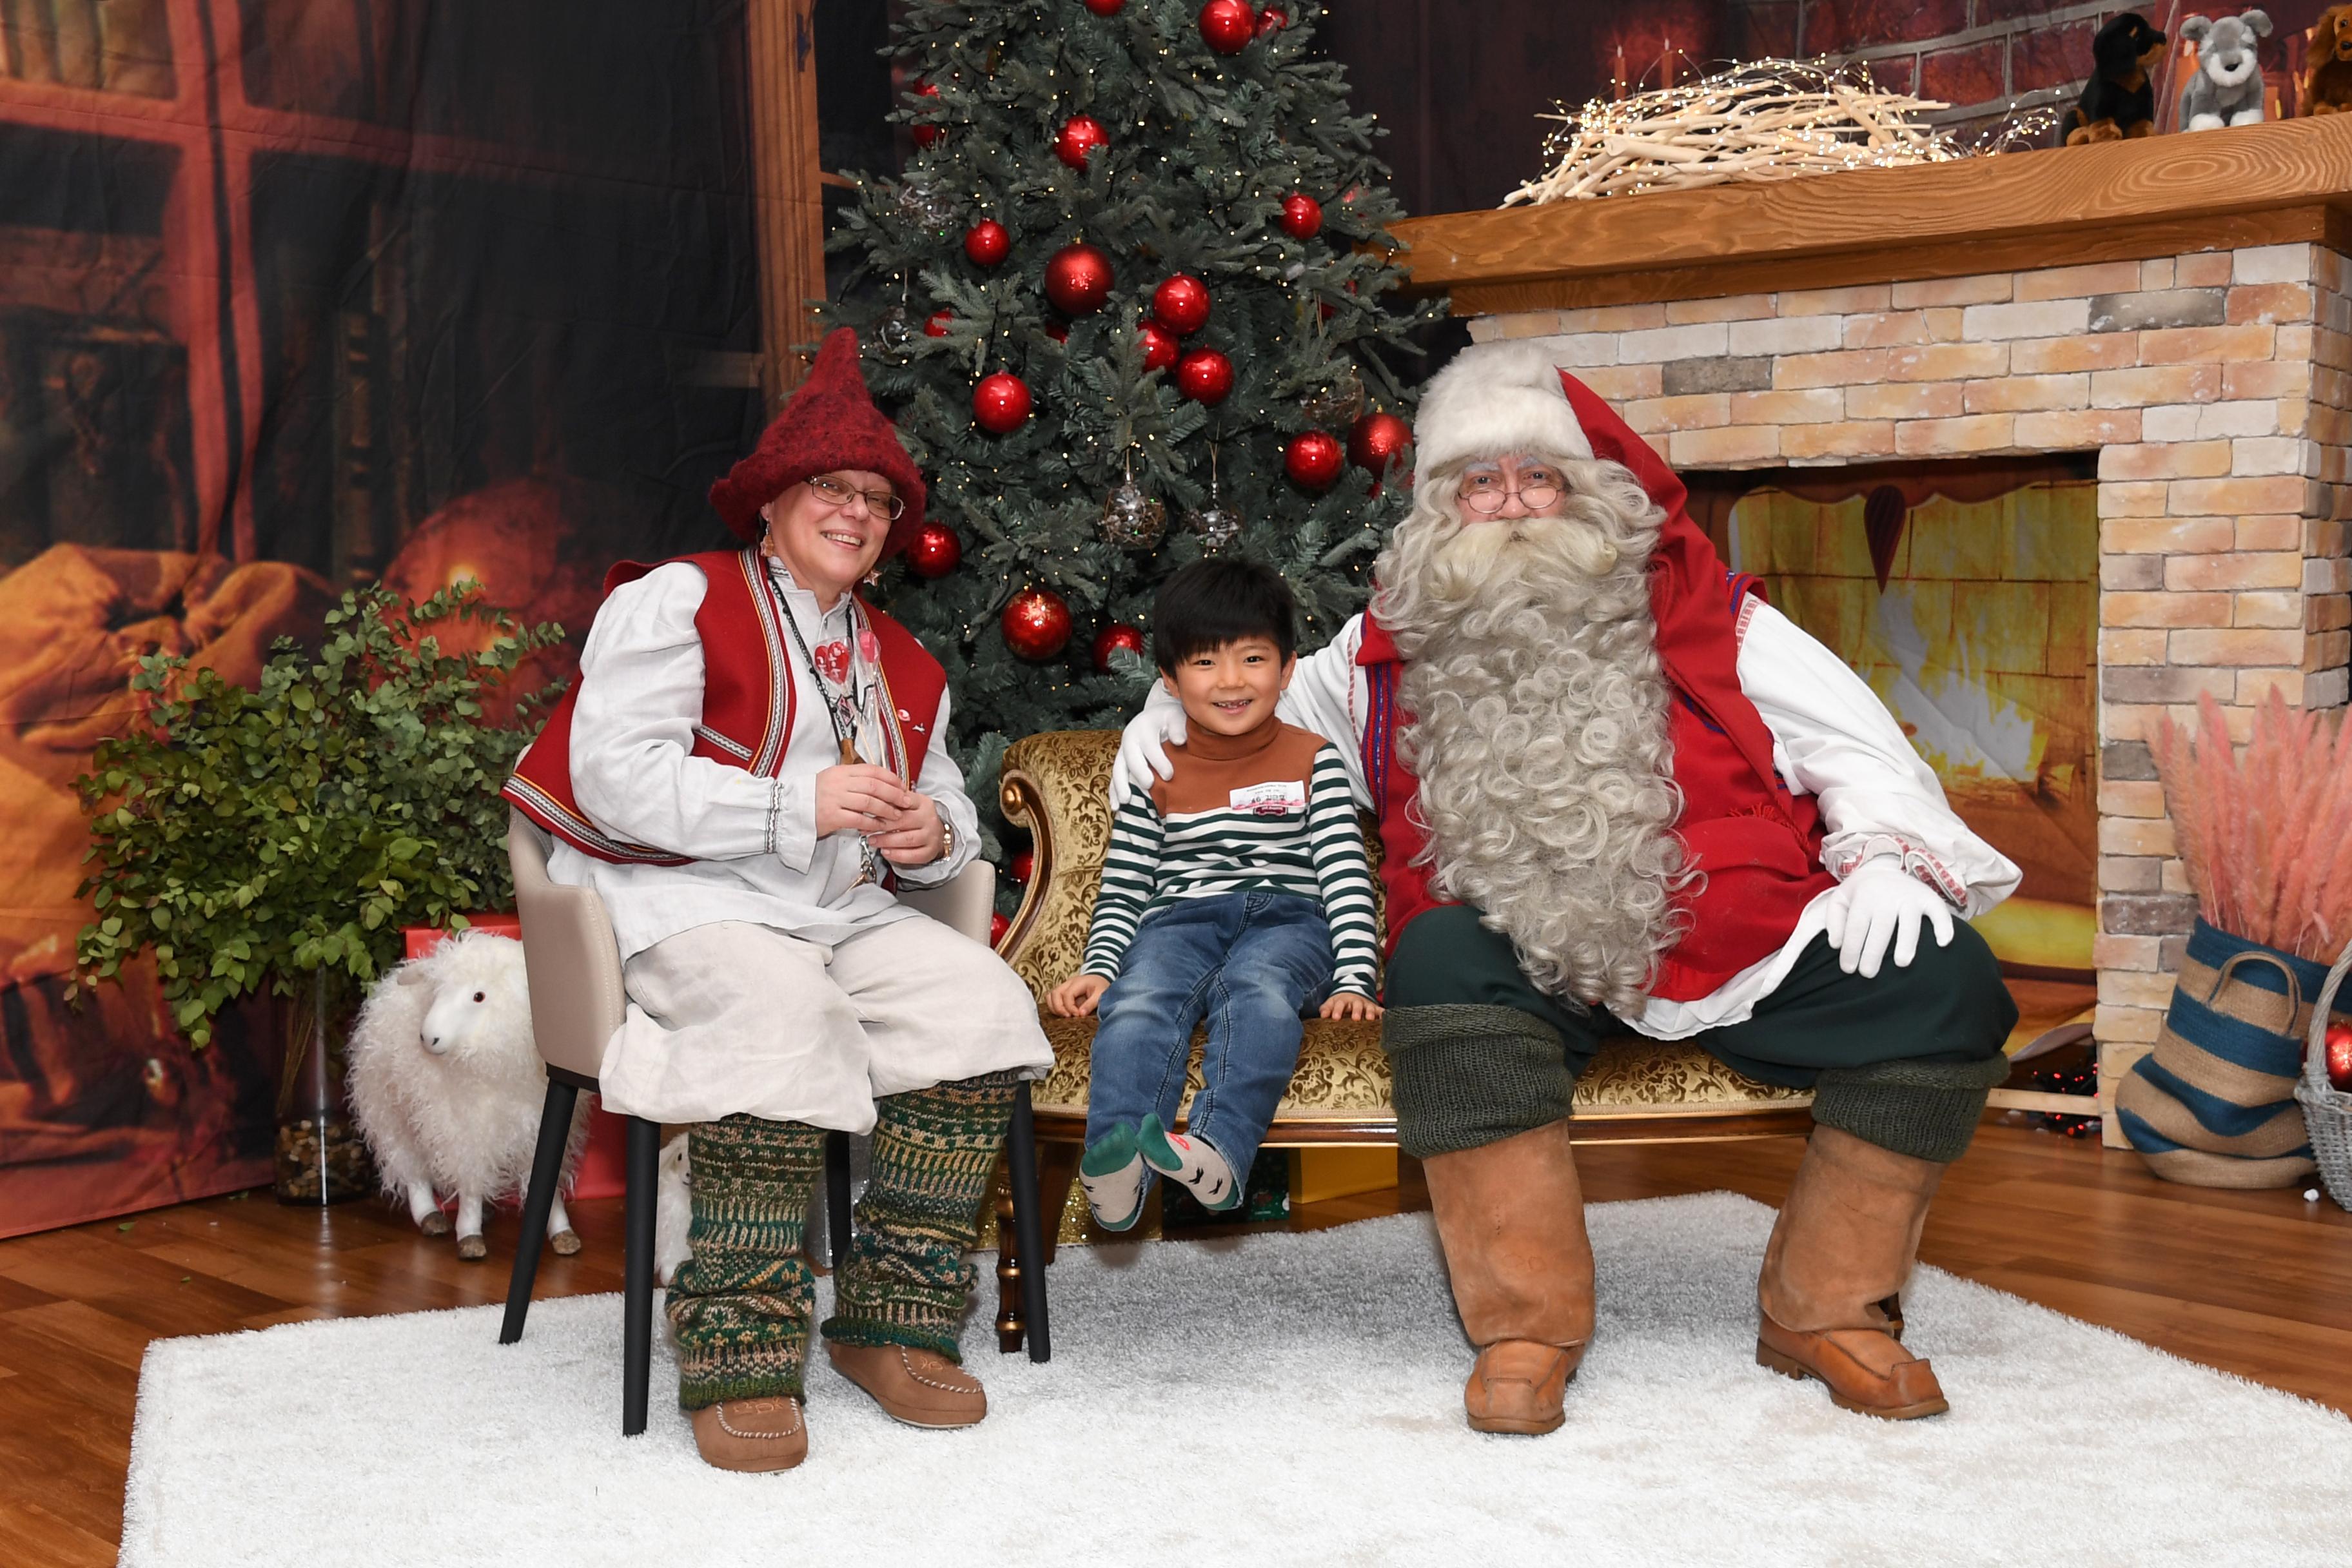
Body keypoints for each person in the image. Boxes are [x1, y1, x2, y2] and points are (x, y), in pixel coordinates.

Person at [1113, 340, 2021, 1435]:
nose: (1510, 506)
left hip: (1729, 930)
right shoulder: (1375, 647)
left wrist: (1882, 857)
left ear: (1588, 489)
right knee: (1440, 960)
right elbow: (1249, 707)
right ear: (1442, 506)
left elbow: (1855, 746)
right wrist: (1160, 718)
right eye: (1479, 482)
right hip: (1516, 943)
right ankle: (1526, 1326)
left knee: (1944, 981)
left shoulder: (1713, 617)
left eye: (1536, 477)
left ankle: (1825, 1310)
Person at [504, 329, 1052, 1473]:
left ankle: (890, 1324)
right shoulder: (677, 599)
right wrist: (795, 803)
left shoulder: (903, 659)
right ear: (770, 501)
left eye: (875, 500)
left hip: (842, 913)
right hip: (682, 900)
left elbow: (943, 795)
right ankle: (739, 1347)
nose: (853, 513)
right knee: (778, 1017)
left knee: (980, 1006)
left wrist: (928, 828)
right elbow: (616, 773)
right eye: (828, 489)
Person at [1046, 560, 1380, 1230]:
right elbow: (1127, 881)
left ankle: (1218, 1150)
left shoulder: (1316, 759)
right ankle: (1116, 1160)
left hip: (1291, 922)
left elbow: (1345, 874)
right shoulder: (1156, 768)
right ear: (1170, 680)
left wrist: (1355, 976)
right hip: (1179, 920)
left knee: (1256, 987)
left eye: (1253, 658)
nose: (1231, 681)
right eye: (1205, 661)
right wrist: (1102, 965)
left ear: (1287, 670)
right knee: (1140, 998)